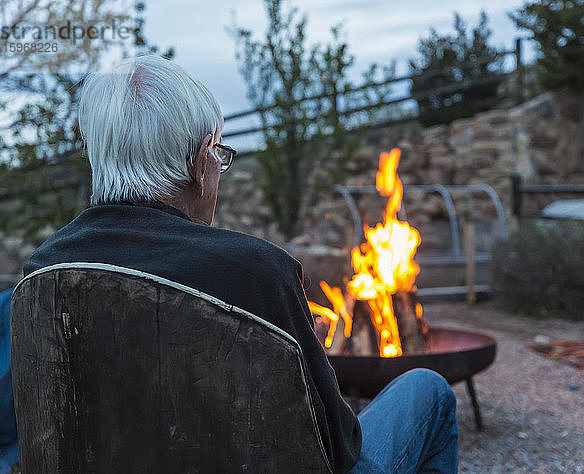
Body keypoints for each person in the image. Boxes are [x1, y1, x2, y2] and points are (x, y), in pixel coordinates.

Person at [24, 55, 458, 473]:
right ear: (199, 162)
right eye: (218, 152)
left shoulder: (43, 272)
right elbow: (338, 445)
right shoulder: (256, 271)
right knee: (429, 390)